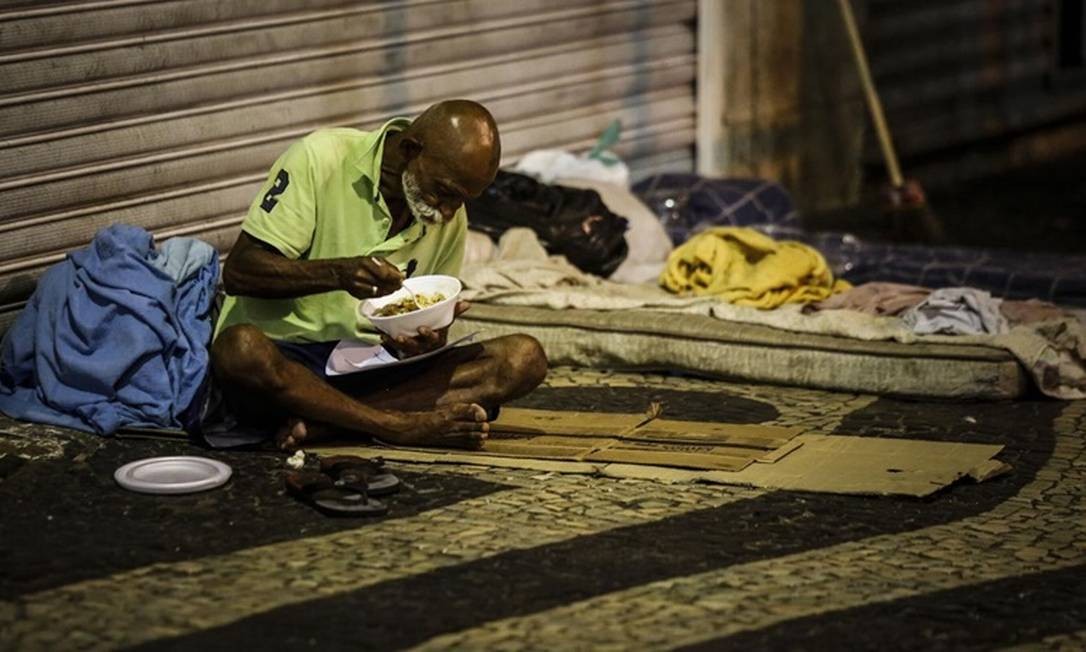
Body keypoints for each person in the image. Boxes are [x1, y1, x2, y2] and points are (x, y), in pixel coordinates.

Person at [211, 100, 547, 451]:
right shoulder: (320, 158)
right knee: (240, 349)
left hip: (370, 366)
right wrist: (338, 273)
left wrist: (424, 341)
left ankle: (330, 426)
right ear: (409, 149)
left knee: (523, 357)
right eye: (444, 192)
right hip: (291, 365)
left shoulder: (448, 217)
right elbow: (240, 271)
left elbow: (425, 326)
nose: (448, 211)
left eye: (462, 201)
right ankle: (395, 424)